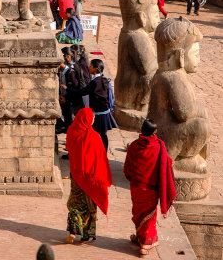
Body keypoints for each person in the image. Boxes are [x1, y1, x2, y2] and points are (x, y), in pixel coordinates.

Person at [124, 119, 177, 256]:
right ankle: (146, 244)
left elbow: (127, 168)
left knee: (138, 214)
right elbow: (165, 164)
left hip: (136, 187)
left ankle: (140, 238)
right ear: (155, 132)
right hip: (151, 189)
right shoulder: (159, 146)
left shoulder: (134, 146)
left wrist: (132, 178)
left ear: (141, 130)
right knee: (149, 218)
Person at [65, 108, 112, 244]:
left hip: (75, 174)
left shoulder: (71, 131)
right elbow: (101, 159)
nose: (93, 119)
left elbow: (68, 147)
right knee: (90, 206)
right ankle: (88, 235)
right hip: (90, 178)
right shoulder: (94, 137)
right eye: (92, 117)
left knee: (76, 203)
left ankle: (73, 231)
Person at [62, 59, 117, 151]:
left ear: (95, 69)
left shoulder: (95, 82)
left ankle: (93, 152)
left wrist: (68, 88)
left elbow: (83, 92)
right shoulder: (103, 79)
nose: (89, 67)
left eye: (90, 66)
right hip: (104, 111)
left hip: (99, 113)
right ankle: (102, 152)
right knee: (103, 134)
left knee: (93, 133)